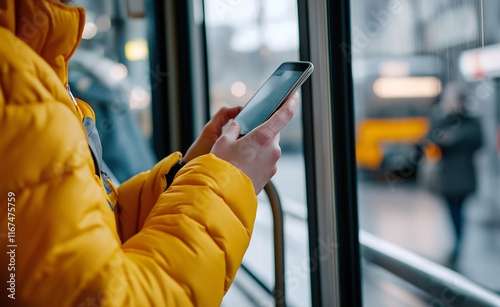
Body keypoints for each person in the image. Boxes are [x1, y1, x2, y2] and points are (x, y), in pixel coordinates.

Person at [0, 0, 298, 306]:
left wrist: (190, 171)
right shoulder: (18, 86)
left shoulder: (35, 67)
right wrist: (228, 181)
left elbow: (100, 229)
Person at [427, 83, 482, 267]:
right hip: (448, 175)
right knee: (453, 210)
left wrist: (453, 139)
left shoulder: (470, 121)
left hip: (464, 173)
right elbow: (431, 138)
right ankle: (457, 241)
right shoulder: (441, 119)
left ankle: (458, 242)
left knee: (460, 210)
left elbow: (477, 141)